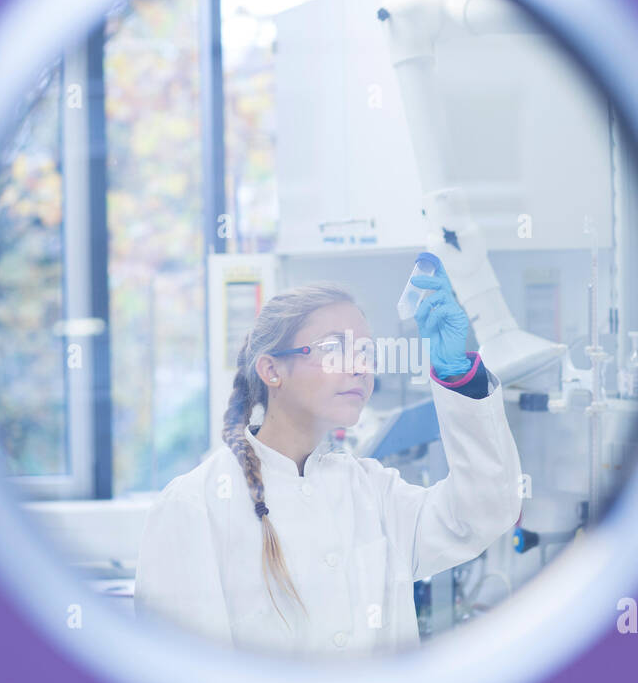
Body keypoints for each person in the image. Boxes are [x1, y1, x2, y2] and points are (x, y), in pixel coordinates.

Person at [133, 265, 523, 658]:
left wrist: (459, 377)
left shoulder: (372, 490)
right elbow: (186, 679)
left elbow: (484, 512)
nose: (359, 366)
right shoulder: (193, 506)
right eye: (334, 349)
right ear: (271, 370)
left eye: (366, 352)